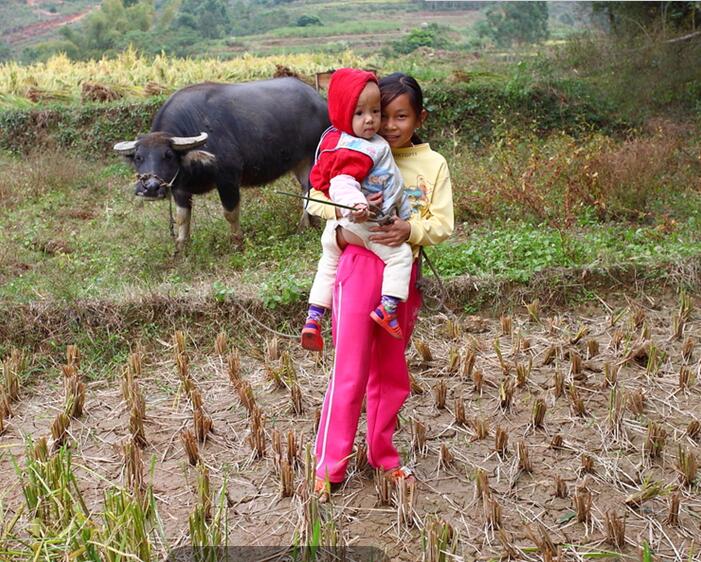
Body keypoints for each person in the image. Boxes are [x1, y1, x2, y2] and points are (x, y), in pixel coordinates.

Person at [306, 72, 454, 500]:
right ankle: (330, 464)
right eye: (378, 114)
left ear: (419, 118)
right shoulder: (353, 148)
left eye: (399, 116)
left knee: (390, 370)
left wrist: (410, 227)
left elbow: (442, 224)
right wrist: (346, 215)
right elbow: (316, 198)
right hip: (356, 266)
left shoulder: (432, 164)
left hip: (400, 276)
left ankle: (383, 456)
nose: (387, 125)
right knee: (349, 368)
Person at [301, 68, 413, 352]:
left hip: (336, 229)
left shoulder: (335, 140)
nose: (371, 120)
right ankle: (388, 307)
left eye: (375, 111)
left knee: (327, 265)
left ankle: (314, 316)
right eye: (359, 113)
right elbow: (342, 182)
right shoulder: (358, 149)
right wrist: (356, 206)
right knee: (400, 256)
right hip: (361, 223)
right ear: (341, 112)